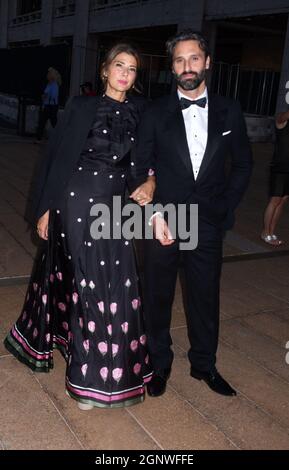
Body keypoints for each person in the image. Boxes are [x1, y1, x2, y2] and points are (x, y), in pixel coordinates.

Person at [5, 43, 155, 410]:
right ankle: (86, 379)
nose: (124, 72)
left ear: (136, 78)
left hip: (117, 207)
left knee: (120, 288)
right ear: (105, 70)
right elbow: (55, 159)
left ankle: (114, 371)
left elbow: (147, 159)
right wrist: (45, 209)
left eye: (132, 68)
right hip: (77, 201)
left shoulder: (140, 112)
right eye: (119, 65)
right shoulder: (82, 105)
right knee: (88, 286)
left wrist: (150, 180)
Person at [135, 30, 253, 398]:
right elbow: (139, 167)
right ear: (172, 67)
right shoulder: (154, 111)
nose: (188, 66)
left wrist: (224, 207)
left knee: (205, 298)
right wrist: (153, 215)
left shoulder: (229, 109)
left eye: (194, 58)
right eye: (180, 60)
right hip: (163, 219)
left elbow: (244, 165)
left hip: (207, 221)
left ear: (207, 62)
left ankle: (204, 365)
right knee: (157, 297)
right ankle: (159, 364)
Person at [261, 108, 289, 246]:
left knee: (282, 201)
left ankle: (272, 232)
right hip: (279, 168)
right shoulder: (282, 120)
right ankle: (265, 232)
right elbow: (283, 117)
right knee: (275, 200)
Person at [36, 67, 62, 141]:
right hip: (48, 105)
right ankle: (39, 138)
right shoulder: (50, 84)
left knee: (51, 122)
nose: (47, 75)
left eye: (48, 74)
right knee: (44, 122)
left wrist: (45, 96)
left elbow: (53, 95)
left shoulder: (54, 84)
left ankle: (58, 137)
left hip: (51, 106)